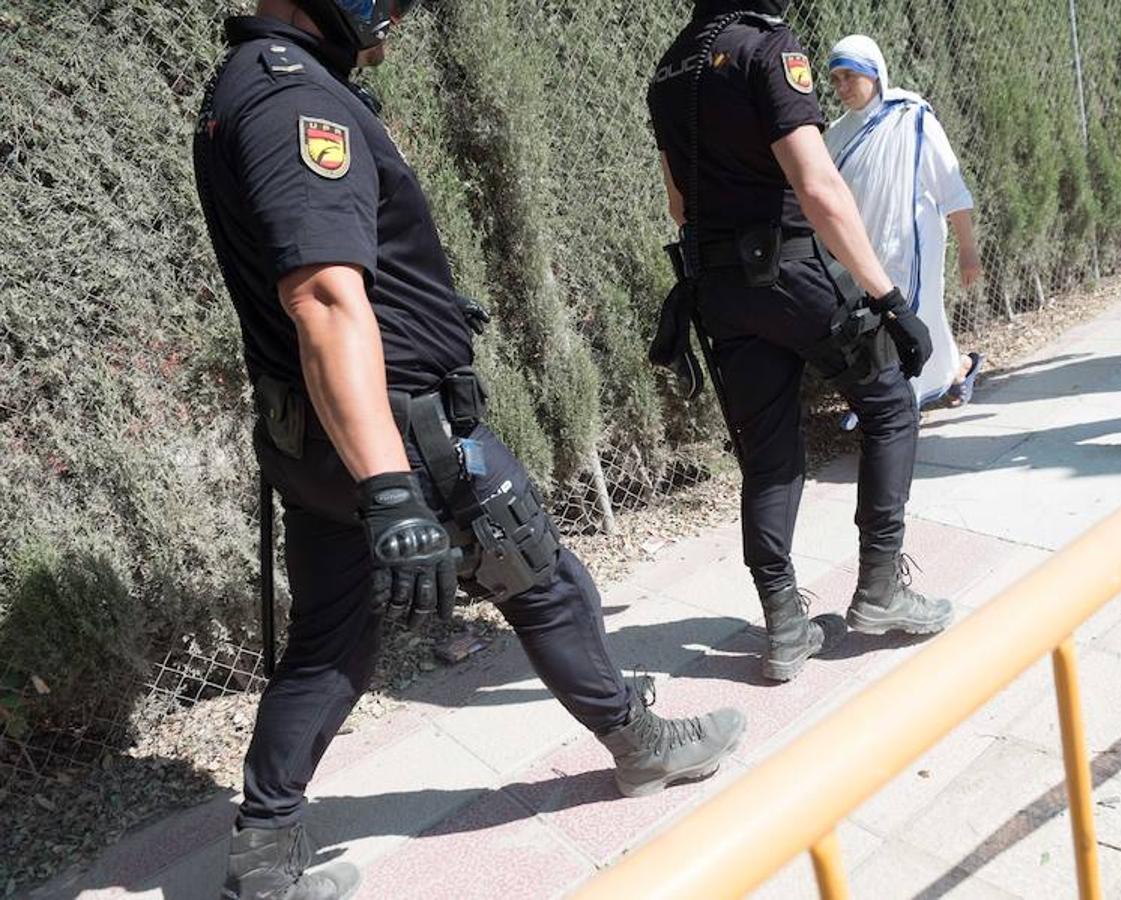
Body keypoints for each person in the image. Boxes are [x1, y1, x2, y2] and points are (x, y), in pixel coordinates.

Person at [193, 2, 745, 897]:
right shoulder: (297, 103)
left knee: (330, 641)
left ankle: (265, 854)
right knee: (545, 580)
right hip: (404, 439)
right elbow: (325, 299)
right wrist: (392, 493)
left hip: (316, 434)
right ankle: (641, 746)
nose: (398, 16)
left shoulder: (243, 88)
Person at [646, 0, 955, 685]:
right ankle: (879, 588)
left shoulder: (669, 70)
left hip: (719, 286)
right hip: (788, 270)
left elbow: (678, 203)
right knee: (889, 404)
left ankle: (785, 626)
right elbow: (818, 186)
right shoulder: (767, 48)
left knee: (769, 455)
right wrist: (889, 298)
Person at [824, 34, 985, 408]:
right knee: (884, 323)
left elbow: (950, 186)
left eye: (850, 75)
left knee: (913, 315)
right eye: (835, 79)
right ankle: (956, 372)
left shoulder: (911, 116)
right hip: (865, 250)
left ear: (874, 73)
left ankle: (897, 401)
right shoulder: (835, 136)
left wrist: (967, 247)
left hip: (915, 243)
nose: (842, 86)